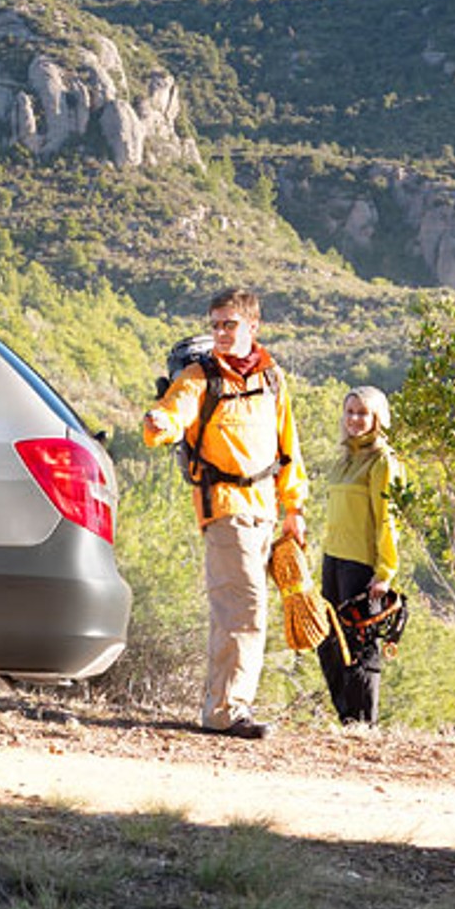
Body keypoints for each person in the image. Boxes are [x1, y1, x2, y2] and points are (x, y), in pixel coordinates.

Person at [143, 287, 307, 739]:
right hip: (224, 510)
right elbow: (172, 413)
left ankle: (223, 707)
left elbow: (287, 449)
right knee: (245, 607)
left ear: (252, 327)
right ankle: (228, 713)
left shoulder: (271, 378)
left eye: (228, 324)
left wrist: (294, 509)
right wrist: (159, 424)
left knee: (237, 609)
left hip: (265, 512)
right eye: (214, 324)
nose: (218, 332)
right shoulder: (199, 376)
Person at [318, 386, 404, 725]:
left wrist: (385, 571)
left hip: (361, 565)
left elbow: (388, 518)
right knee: (329, 643)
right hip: (333, 560)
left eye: (363, 413)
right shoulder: (345, 460)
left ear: (377, 418)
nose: (355, 419)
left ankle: (364, 724)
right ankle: (347, 718)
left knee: (360, 645)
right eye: (350, 412)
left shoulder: (383, 460)